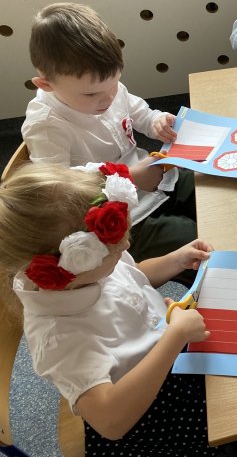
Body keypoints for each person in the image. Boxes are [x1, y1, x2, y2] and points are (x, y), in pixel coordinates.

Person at [0, 162, 217, 455]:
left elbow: (132, 275)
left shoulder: (87, 269)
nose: (125, 246)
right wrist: (175, 337)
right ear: (76, 261)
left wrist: (174, 260)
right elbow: (111, 421)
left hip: (168, 350)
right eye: (114, 251)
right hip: (145, 410)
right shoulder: (58, 337)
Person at [22, 2, 197, 262]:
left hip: (157, 178)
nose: (109, 98)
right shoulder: (46, 126)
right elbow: (58, 188)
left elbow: (138, 111)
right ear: (46, 84)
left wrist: (156, 121)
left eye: (115, 83)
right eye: (91, 94)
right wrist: (128, 177)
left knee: (212, 193)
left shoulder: (104, 88)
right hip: (124, 219)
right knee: (195, 237)